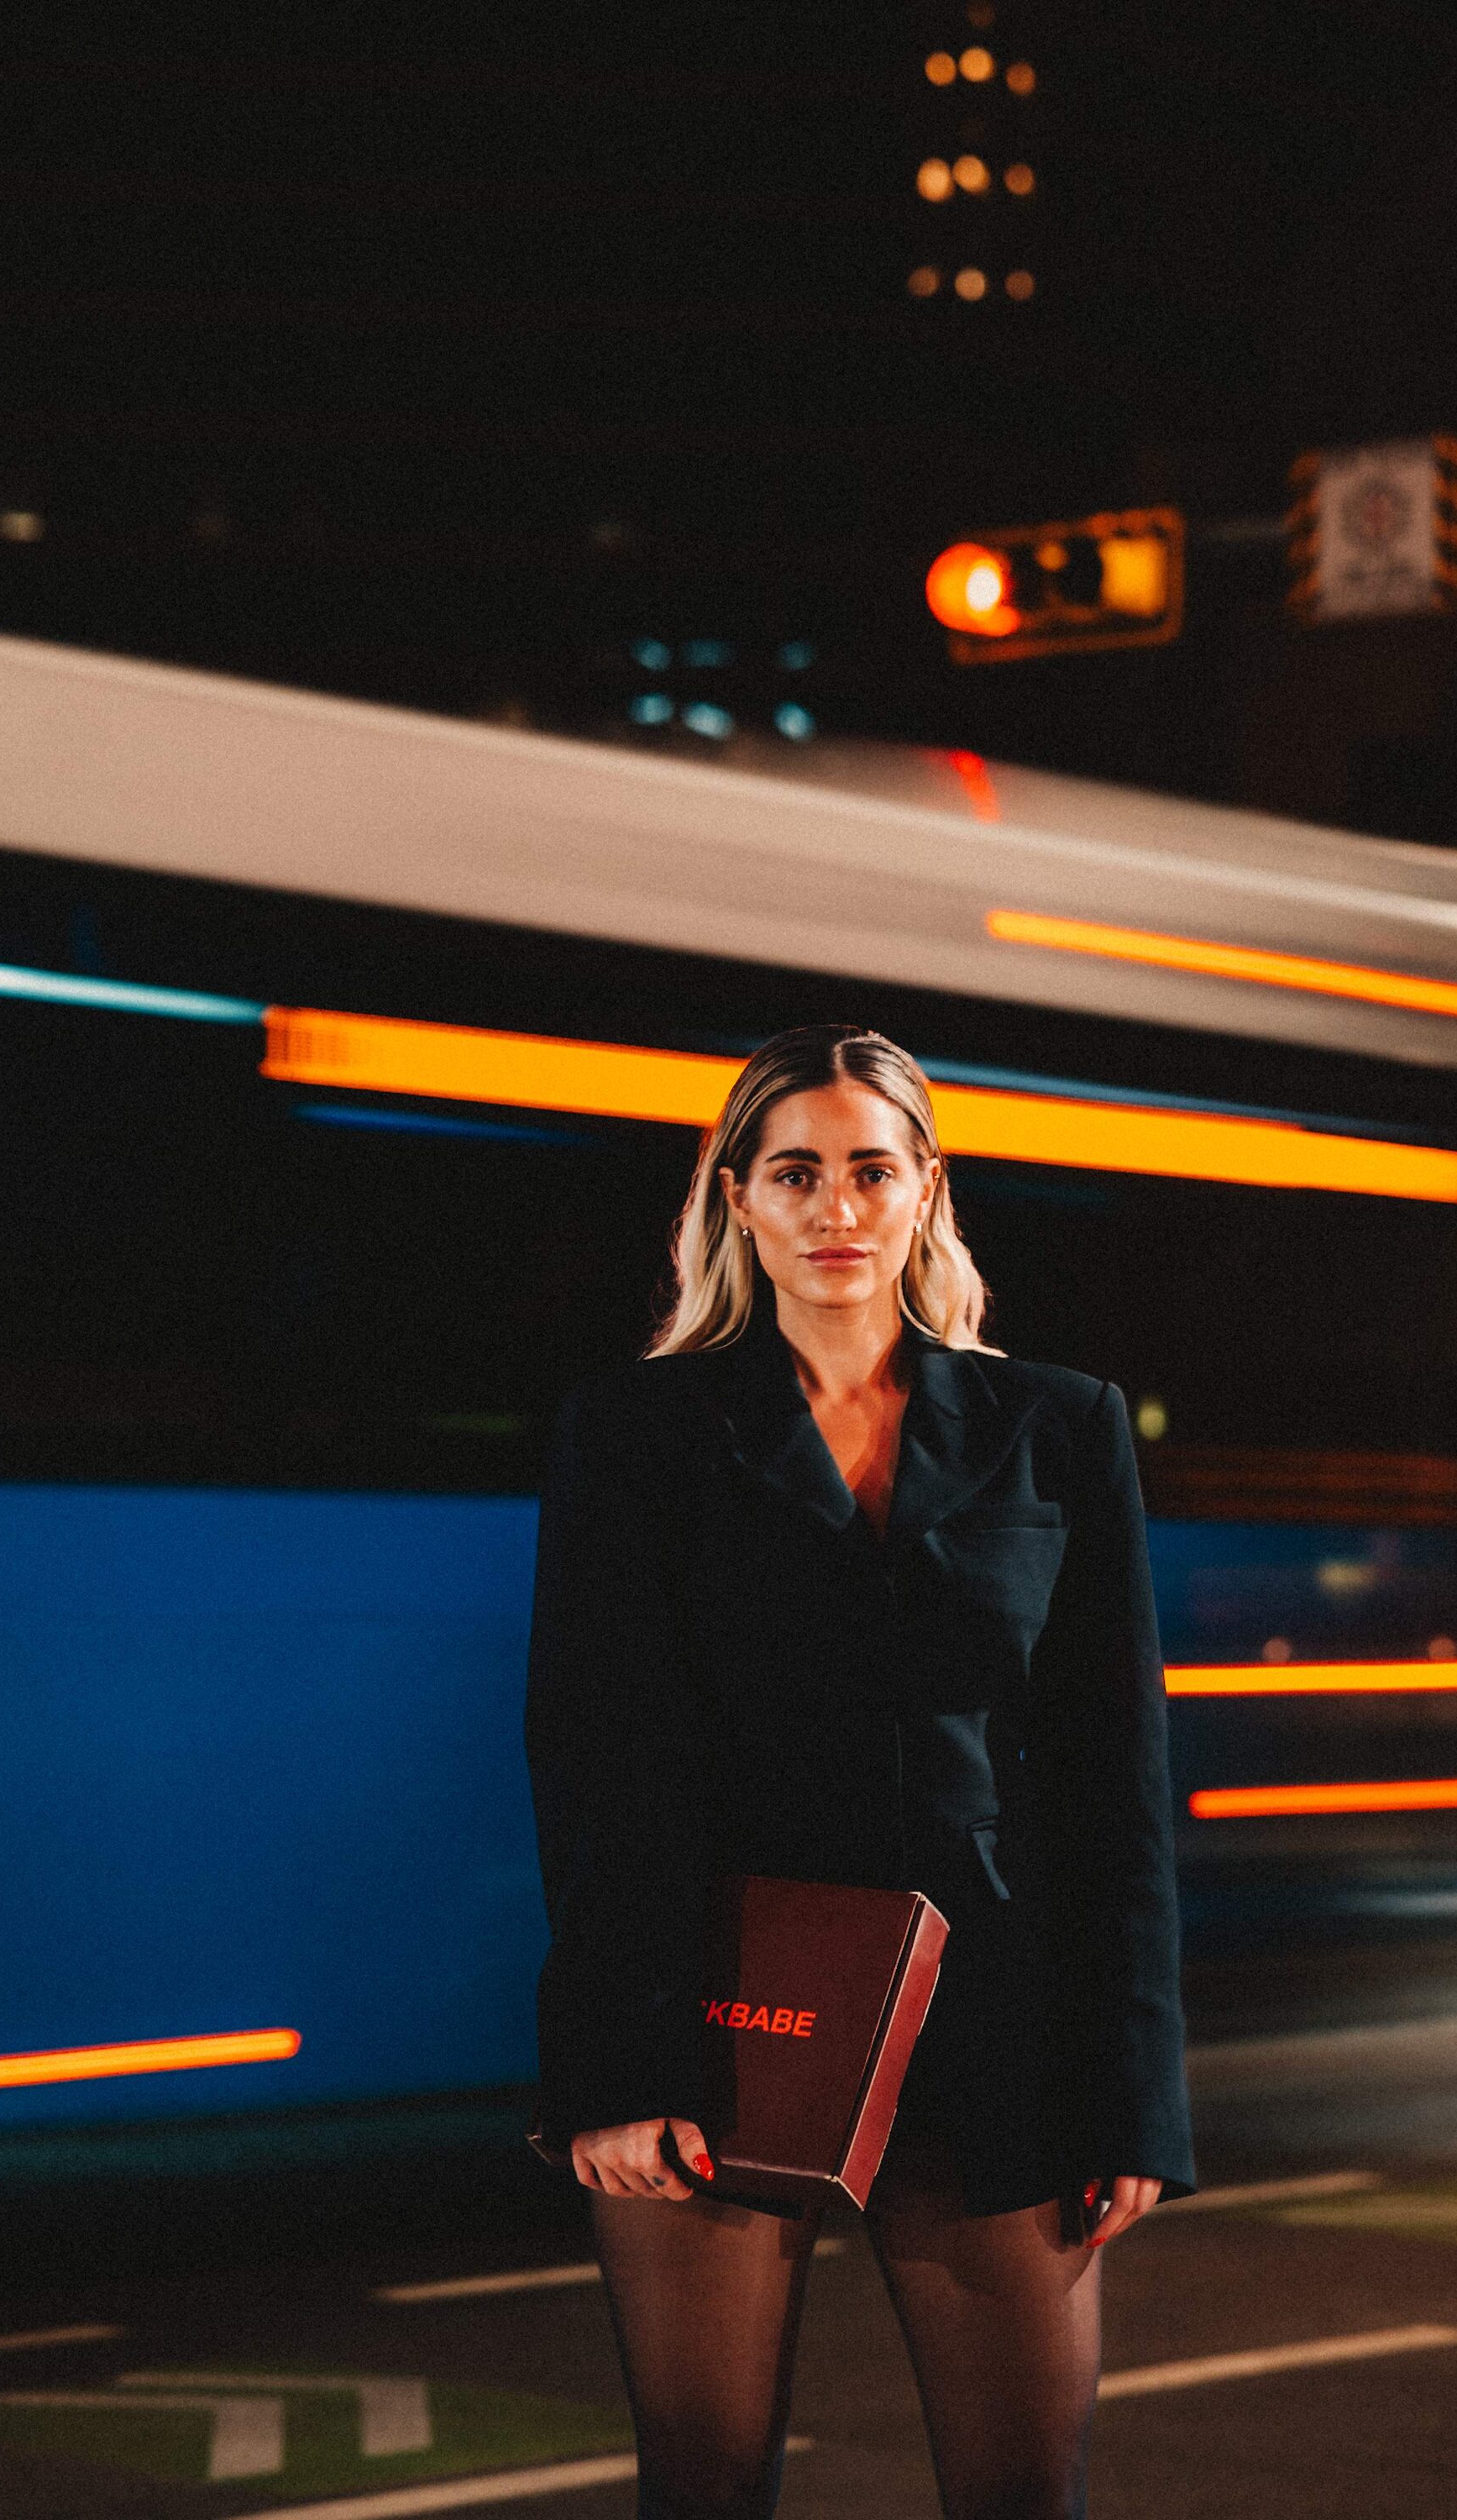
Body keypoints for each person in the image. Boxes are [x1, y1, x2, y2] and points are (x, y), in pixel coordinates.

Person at [526, 1023, 1193, 2520]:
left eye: (872, 1171)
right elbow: (602, 1761)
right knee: (703, 2486)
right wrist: (618, 2074)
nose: (836, 1207)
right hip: (721, 2010)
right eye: (796, 1172)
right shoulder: (634, 1433)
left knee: (1023, 2491)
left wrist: (1133, 2097)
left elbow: (1115, 1785)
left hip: (1000, 2017)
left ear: (925, 1190)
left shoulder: (1060, 1425)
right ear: (738, 1198)